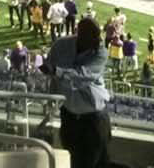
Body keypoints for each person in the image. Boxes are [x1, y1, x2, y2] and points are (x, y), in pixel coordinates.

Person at [42, 15, 112, 168]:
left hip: (94, 117)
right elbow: (48, 69)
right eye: (92, 37)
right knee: (72, 160)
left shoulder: (101, 52)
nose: (98, 41)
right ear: (79, 34)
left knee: (96, 162)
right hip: (69, 116)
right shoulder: (61, 46)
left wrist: (57, 71)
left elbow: (82, 76)